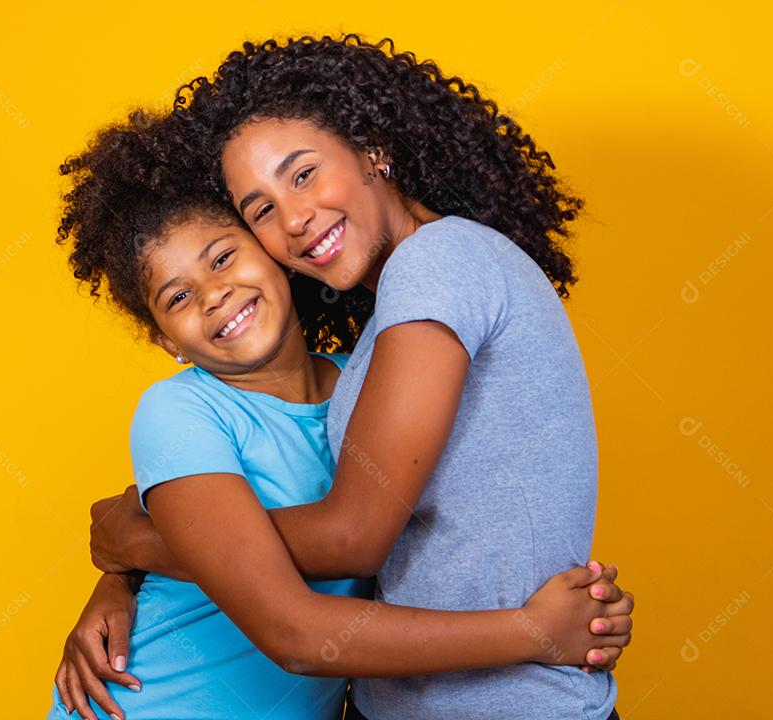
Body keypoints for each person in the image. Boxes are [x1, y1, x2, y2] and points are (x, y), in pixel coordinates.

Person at [49, 111, 632, 720]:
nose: (213, 293)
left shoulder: (392, 325)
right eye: (264, 209)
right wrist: (125, 571)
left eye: (303, 173)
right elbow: (260, 570)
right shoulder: (185, 407)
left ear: (371, 150)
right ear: (165, 340)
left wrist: (140, 545)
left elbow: (349, 537)